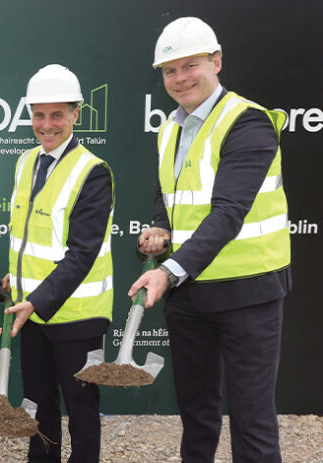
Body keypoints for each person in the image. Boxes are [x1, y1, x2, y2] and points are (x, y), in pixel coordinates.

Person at [128, 17, 290, 463]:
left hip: (247, 293)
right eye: (170, 70)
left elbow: (228, 212)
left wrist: (167, 271)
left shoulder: (248, 122)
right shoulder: (170, 128)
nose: (180, 78)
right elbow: (169, 196)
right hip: (190, 293)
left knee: (252, 420)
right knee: (196, 414)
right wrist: (161, 229)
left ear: (216, 62)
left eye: (190, 65)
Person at [1, 64, 114, 463]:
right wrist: (16, 278)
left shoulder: (92, 172)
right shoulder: (25, 162)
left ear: (75, 115)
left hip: (78, 316)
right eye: (39, 115)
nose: (46, 125)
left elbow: (82, 252)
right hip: (32, 312)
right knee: (38, 404)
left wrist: (36, 300)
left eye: (57, 115)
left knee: (81, 409)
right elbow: (28, 236)